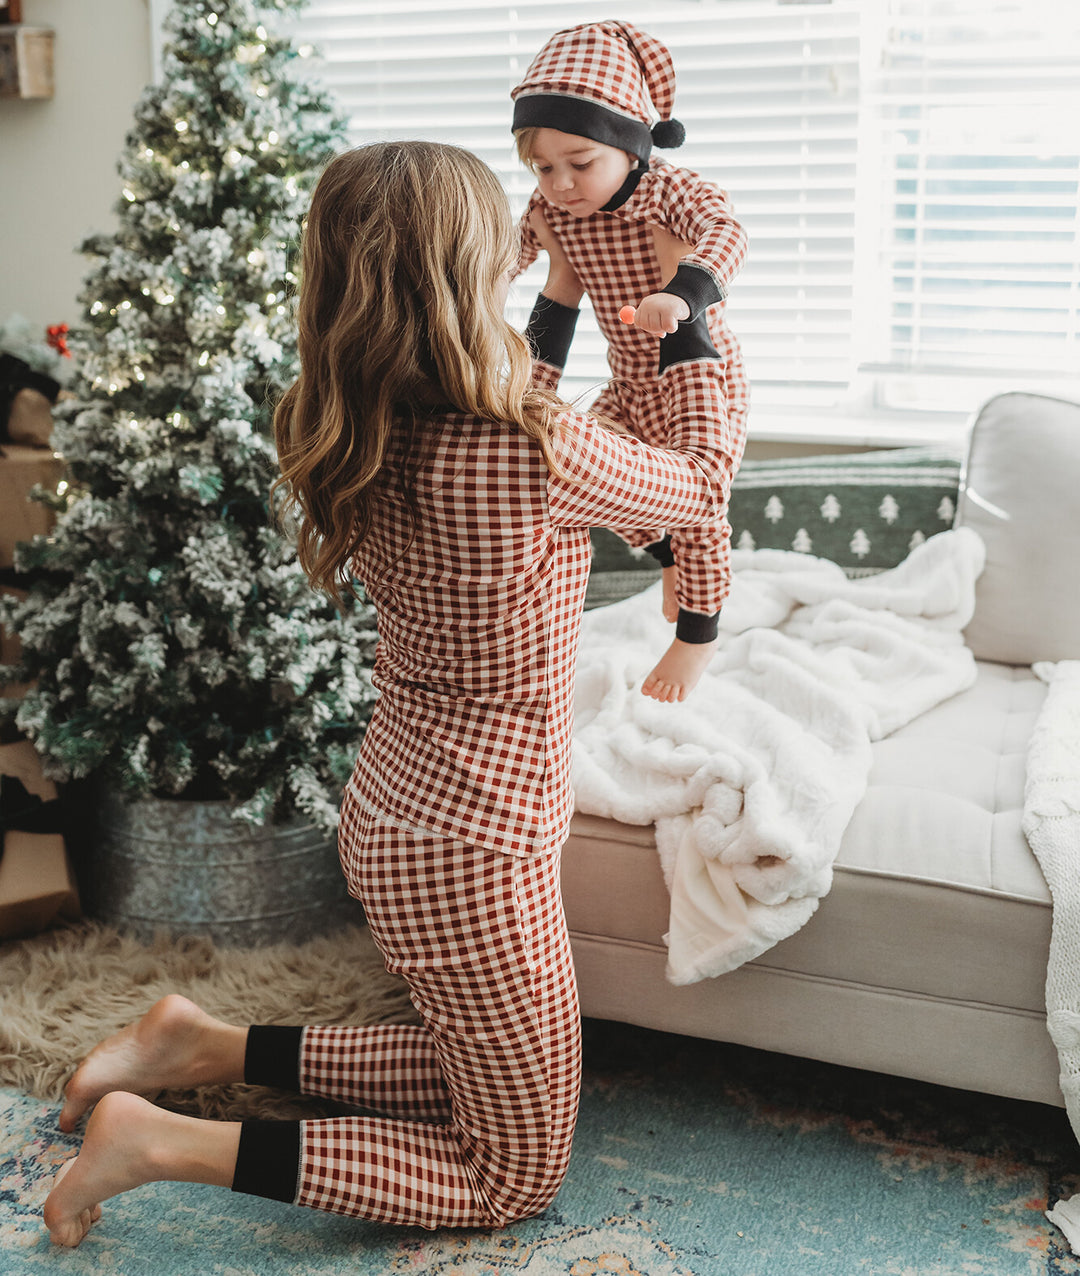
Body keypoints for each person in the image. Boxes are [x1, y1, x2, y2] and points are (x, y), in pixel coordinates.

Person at [42, 140, 736, 1249]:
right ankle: (159, 1141)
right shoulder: (534, 447)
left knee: (472, 1054)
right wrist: (692, 316)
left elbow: (514, 405)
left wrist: (561, 295)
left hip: (401, 810)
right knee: (511, 1172)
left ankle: (200, 1045)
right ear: (466, 274)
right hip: (477, 844)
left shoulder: (346, 413)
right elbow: (700, 485)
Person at [511, 20, 749, 702]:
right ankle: (666, 557)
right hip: (630, 379)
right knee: (582, 463)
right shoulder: (552, 209)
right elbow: (507, 254)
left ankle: (696, 637)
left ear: (628, 142)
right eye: (542, 166)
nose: (559, 183)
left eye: (579, 162)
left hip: (700, 374)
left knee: (700, 507)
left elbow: (726, 231)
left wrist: (684, 293)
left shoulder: (668, 193)